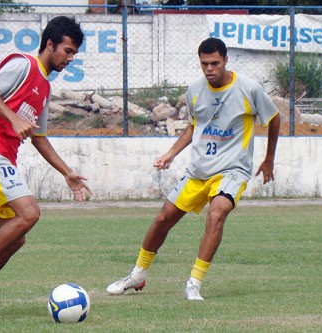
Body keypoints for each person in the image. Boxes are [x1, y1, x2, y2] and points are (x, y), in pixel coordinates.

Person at [106, 37, 280, 301]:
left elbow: (274, 118)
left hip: (233, 169)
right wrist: (171, 154)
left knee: (217, 211)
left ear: (226, 60)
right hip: (199, 170)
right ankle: (137, 275)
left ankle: (194, 283)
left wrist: (269, 159)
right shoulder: (195, 90)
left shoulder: (249, 89)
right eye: (204, 64)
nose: (209, 69)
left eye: (215, 63)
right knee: (164, 219)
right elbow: (193, 126)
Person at [0, 16, 91, 318]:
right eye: (67, 51)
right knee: (29, 214)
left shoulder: (45, 87)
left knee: (17, 236)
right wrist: (13, 118)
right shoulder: (23, 63)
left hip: (3, 158)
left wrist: (66, 171)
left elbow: (38, 137)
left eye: (74, 54)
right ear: (50, 44)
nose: (70, 58)